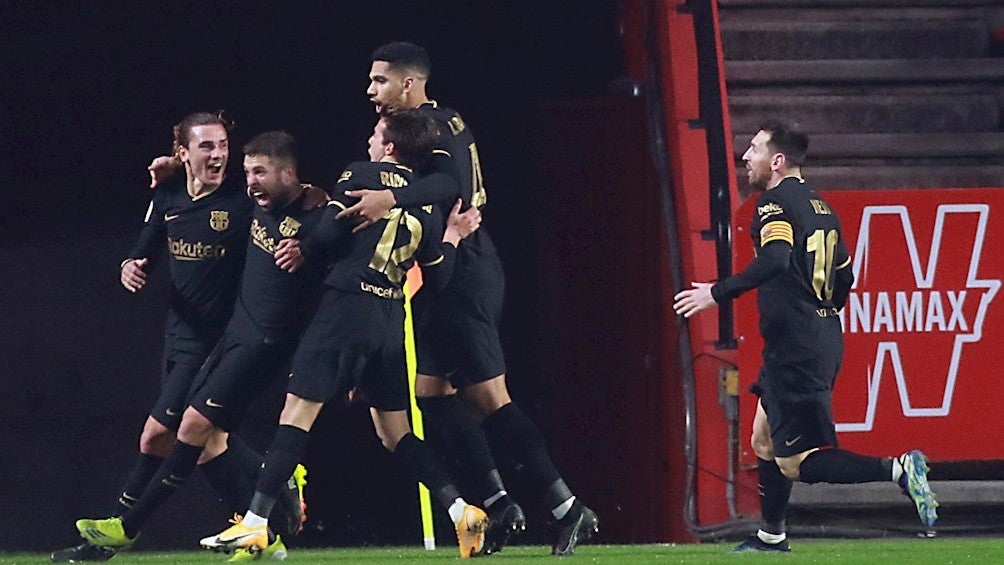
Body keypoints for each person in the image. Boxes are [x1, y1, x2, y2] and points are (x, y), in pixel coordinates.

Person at [322, 41, 599, 556]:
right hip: (445, 269)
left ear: (408, 83)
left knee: (490, 398)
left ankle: (567, 508)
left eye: (379, 80)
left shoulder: (436, 126)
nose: (370, 91)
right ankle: (498, 505)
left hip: (462, 267)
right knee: (433, 395)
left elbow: (450, 180)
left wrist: (392, 197)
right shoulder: (430, 126)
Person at [201, 110, 489, 559]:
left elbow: (332, 231)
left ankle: (255, 523)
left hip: (345, 309)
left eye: (376, 134)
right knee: (396, 433)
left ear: (390, 147)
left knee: (295, 414)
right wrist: (451, 236)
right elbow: (441, 276)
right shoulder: (431, 206)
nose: (371, 139)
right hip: (390, 318)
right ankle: (459, 510)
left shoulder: (361, 172)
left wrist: (306, 244)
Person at [672, 120, 938, 553]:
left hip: (797, 346)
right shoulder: (820, 206)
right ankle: (771, 536)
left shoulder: (773, 204)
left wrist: (716, 293)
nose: (746, 157)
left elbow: (775, 260)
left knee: (796, 461)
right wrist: (818, 312)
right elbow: (846, 276)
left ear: (777, 161)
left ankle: (898, 469)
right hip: (813, 337)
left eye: (754, 149)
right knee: (762, 438)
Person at [52, 115, 306, 563]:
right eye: (206, 146)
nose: (219, 155)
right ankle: (265, 511)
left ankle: (114, 537)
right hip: (178, 336)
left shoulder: (239, 198)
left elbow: (285, 195)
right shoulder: (167, 193)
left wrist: (313, 199)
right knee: (206, 442)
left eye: (223, 145)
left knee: (159, 438)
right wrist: (131, 263)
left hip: (217, 342)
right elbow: (147, 241)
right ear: (183, 153)